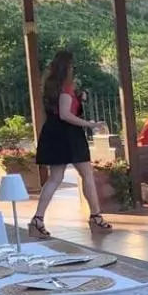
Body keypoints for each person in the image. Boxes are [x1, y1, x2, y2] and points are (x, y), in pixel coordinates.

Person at [30, 49, 112, 237]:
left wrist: (78, 98)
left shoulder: (51, 86)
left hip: (53, 133)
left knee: (55, 178)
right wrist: (90, 124)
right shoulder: (66, 87)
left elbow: (59, 109)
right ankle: (96, 217)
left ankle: (37, 220)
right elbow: (65, 114)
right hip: (69, 135)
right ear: (68, 67)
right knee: (87, 175)